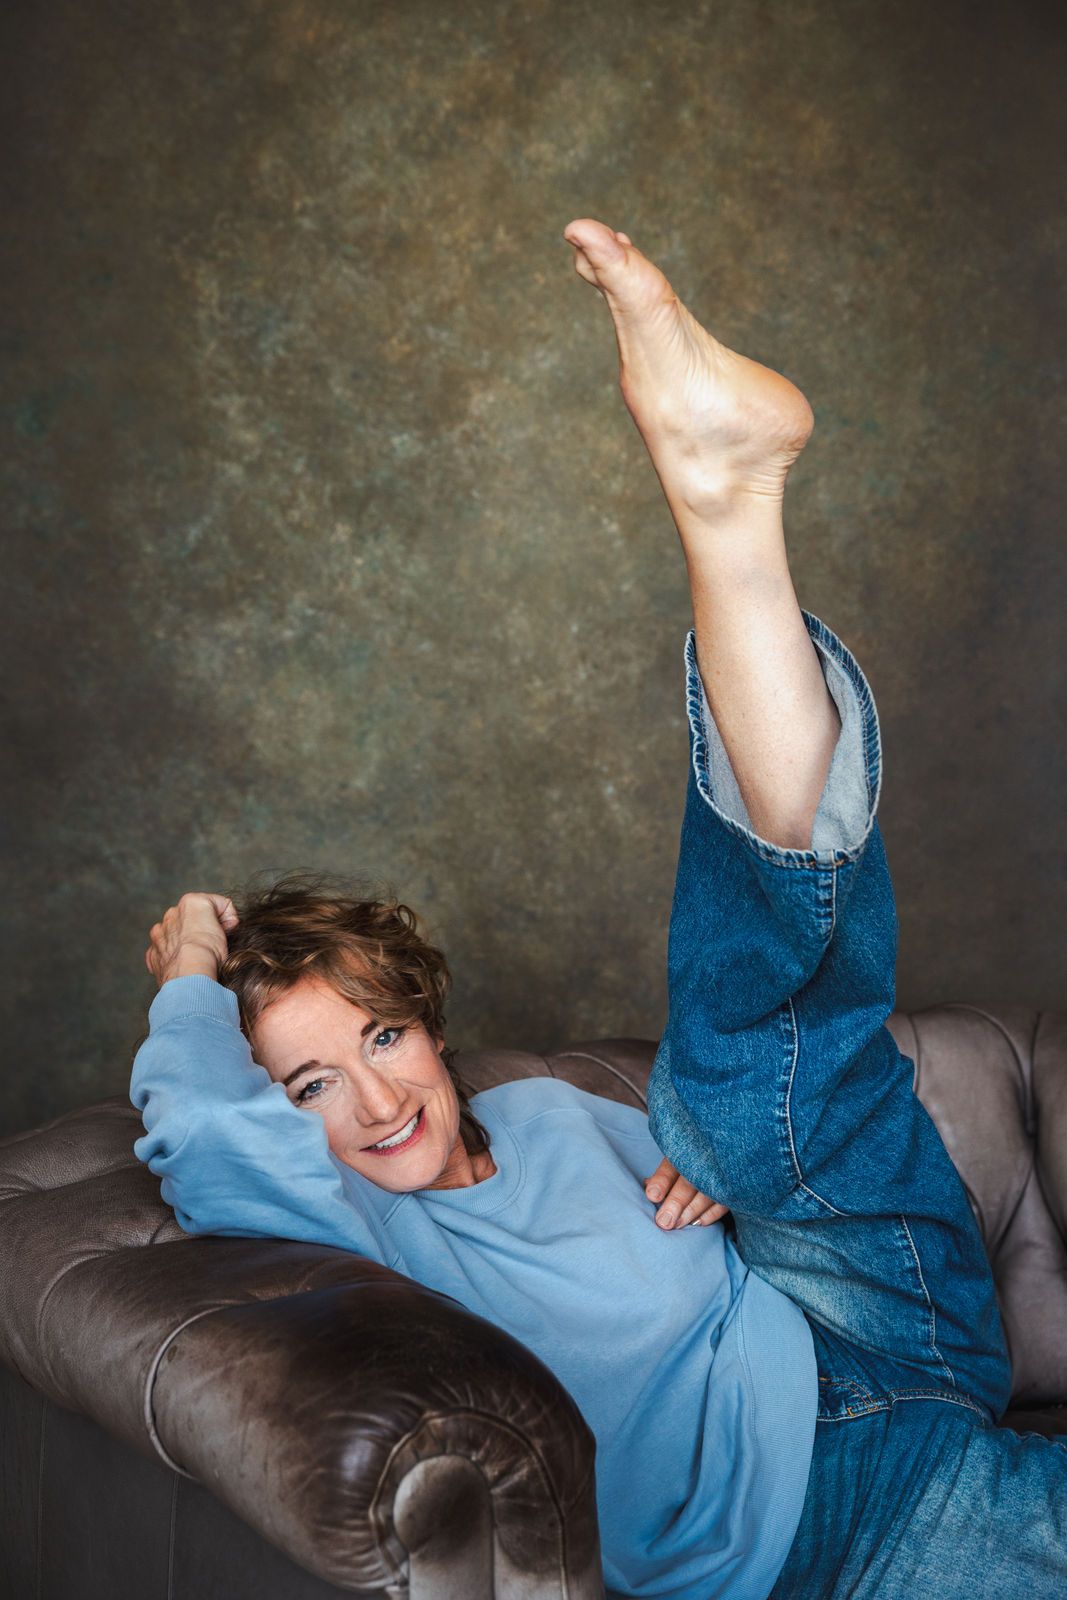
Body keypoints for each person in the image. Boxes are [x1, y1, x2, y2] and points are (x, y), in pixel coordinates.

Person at [130, 218, 1067, 1599]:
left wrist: (726, 1167)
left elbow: (766, 1130)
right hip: (827, 1511)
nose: (375, 1103)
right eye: (310, 1083)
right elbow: (201, 1135)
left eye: (381, 1039)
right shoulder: (352, 1225)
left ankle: (727, 505)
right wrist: (191, 967)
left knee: (744, 1080)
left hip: (878, 1307)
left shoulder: (551, 1119)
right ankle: (725, 508)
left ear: (428, 1026)